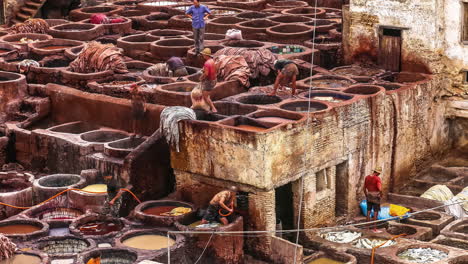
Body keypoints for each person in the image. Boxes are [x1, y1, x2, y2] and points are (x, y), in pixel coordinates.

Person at [364, 167, 383, 233]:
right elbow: (380, 189)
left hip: (369, 195)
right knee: (375, 212)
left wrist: (367, 195)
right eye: (379, 173)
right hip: (376, 196)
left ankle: (367, 228)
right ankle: (375, 229)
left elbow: (364, 188)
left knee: (368, 212)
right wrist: (381, 194)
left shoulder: (367, 177)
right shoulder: (377, 179)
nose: (379, 174)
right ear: (377, 172)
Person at [199, 48, 218, 112]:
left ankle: (213, 109)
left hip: (209, 81)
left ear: (206, 55)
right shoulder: (212, 61)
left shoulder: (207, 63)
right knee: (206, 95)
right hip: (214, 80)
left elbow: (206, 74)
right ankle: (208, 108)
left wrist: (201, 78)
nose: (203, 56)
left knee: (205, 96)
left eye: (203, 54)